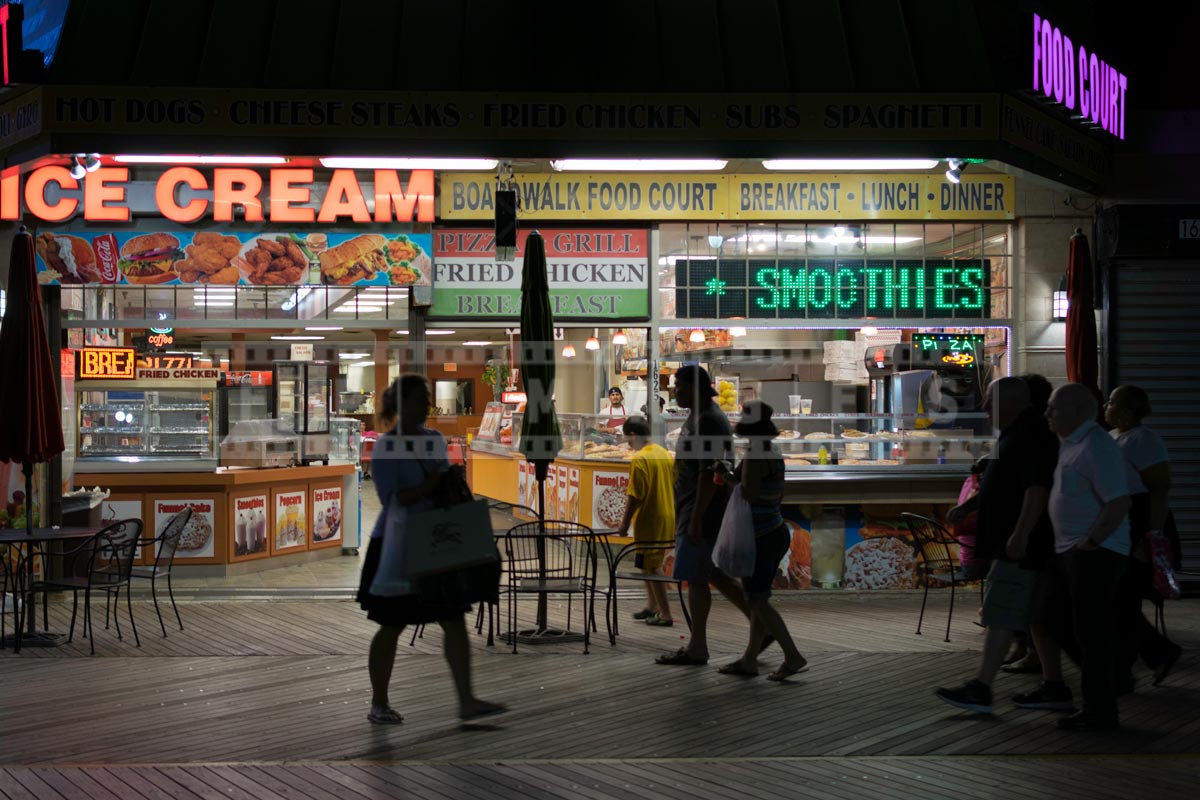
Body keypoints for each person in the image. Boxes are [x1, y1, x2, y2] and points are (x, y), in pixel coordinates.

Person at [356, 375, 507, 724]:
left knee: (453, 619)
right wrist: (434, 483)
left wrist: (438, 485)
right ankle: (379, 702)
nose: (428, 405)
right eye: (422, 398)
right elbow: (394, 499)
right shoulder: (385, 446)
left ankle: (466, 699)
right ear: (403, 404)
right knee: (391, 623)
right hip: (397, 545)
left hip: (437, 538)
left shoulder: (433, 439)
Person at [934, 378, 1058, 713]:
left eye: (991, 400)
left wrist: (1020, 533)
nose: (985, 407)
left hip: (1018, 545)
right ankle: (1054, 685)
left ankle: (982, 687)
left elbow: (1036, 489)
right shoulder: (1017, 432)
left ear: (1013, 401)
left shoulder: (1031, 435)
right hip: (1016, 541)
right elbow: (1004, 484)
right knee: (1036, 618)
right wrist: (970, 507)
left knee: (1000, 613)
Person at [1013, 382, 1131, 731]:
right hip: (1071, 550)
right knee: (1048, 617)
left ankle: (1101, 708)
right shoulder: (1070, 444)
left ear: (1080, 414)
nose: (1047, 414)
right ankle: (1109, 683)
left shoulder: (1096, 446)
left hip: (1093, 553)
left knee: (1088, 631)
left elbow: (1118, 501)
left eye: (1054, 409)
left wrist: (1092, 542)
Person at [654, 364, 754, 666]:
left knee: (697, 578)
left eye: (679, 386)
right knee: (715, 575)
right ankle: (761, 626)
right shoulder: (698, 417)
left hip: (702, 509)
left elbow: (710, 472)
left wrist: (696, 517)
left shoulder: (709, 421)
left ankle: (698, 646)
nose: (675, 391)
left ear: (696, 388)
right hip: (693, 506)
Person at [715, 401, 808, 681]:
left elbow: (750, 493)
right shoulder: (772, 450)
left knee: (757, 600)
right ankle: (749, 659)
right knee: (756, 598)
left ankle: (792, 655)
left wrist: (726, 476)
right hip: (774, 528)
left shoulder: (756, 453)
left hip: (761, 535)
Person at [1105, 385, 1183, 686]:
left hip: (1140, 521)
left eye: (1111, 402)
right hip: (1120, 519)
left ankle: (1140, 659)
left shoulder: (1144, 441)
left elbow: (1159, 489)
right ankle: (1142, 657)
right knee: (1118, 596)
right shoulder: (1113, 437)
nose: (1105, 406)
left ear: (1126, 410)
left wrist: (1152, 535)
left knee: (1124, 595)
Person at [615, 416, 676, 626]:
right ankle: (652, 606)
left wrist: (624, 523)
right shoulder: (663, 453)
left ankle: (666, 613)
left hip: (651, 518)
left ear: (634, 435)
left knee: (653, 566)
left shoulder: (641, 459)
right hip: (667, 514)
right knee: (645, 562)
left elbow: (635, 495)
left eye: (628, 439)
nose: (628, 444)